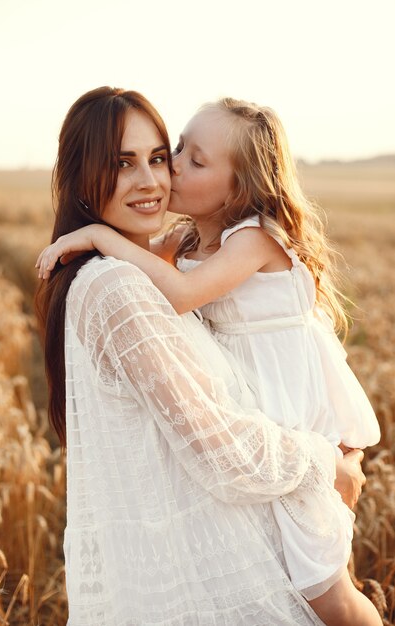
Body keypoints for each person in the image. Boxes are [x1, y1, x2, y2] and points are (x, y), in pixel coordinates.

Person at [35, 87, 369, 626]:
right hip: (279, 460)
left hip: (293, 405)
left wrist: (99, 234)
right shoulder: (125, 283)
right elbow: (225, 451)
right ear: (81, 175)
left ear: (240, 183)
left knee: (333, 593)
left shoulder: (249, 240)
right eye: (123, 163)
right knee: (326, 590)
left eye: (160, 157)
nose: (154, 179)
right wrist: (324, 464)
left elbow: (177, 290)